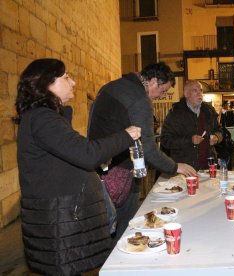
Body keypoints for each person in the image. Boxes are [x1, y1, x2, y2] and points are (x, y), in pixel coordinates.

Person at [14, 58, 141, 275]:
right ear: (47, 84)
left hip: (61, 218)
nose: (73, 82)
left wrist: (98, 158)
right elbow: (86, 154)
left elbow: (68, 154)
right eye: (65, 77)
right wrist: (125, 135)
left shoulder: (46, 117)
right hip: (58, 220)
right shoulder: (43, 118)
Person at [88, 62, 196, 245]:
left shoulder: (112, 86)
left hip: (99, 169)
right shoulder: (139, 99)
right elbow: (147, 146)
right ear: (153, 81)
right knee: (126, 230)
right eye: (162, 91)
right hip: (121, 173)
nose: (160, 96)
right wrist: (175, 166)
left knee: (107, 228)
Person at [160, 80, 222, 170]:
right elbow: (165, 140)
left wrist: (217, 137)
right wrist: (190, 140)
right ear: (186, 94)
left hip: (209, 166)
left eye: (201, 90)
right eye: (195, 90)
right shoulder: (176, 113)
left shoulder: (208, 111)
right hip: (186, 168)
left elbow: (219, 130)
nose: (199, 93)